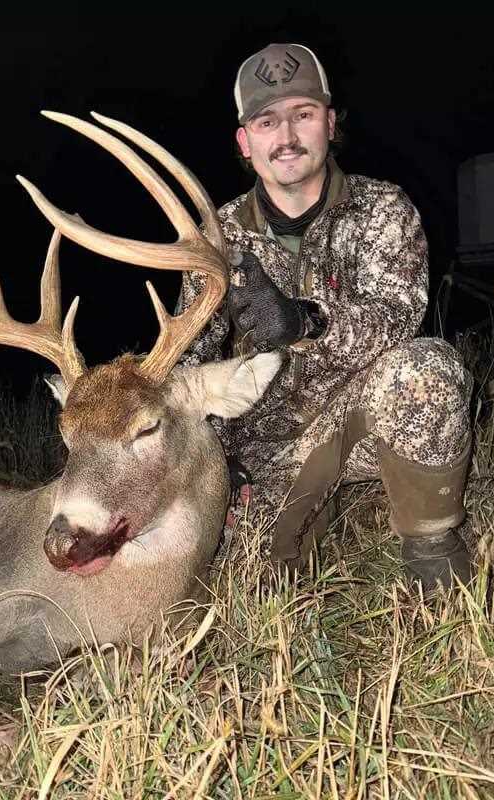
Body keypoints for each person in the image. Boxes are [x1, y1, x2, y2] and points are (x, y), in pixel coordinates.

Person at [177, 43, 475, 591]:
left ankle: (433, 548)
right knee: (250, 583)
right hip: (266, 450)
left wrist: (302, 321)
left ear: (330, 123)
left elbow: (395, 315)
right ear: (245, 141)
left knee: (426, 372)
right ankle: (308, 511)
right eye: (266, 122)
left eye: (303, 115)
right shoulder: (213, 241)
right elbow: (192, 365)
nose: (285, 137)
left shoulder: (384, 209)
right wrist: (216, 462)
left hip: (364, 419)